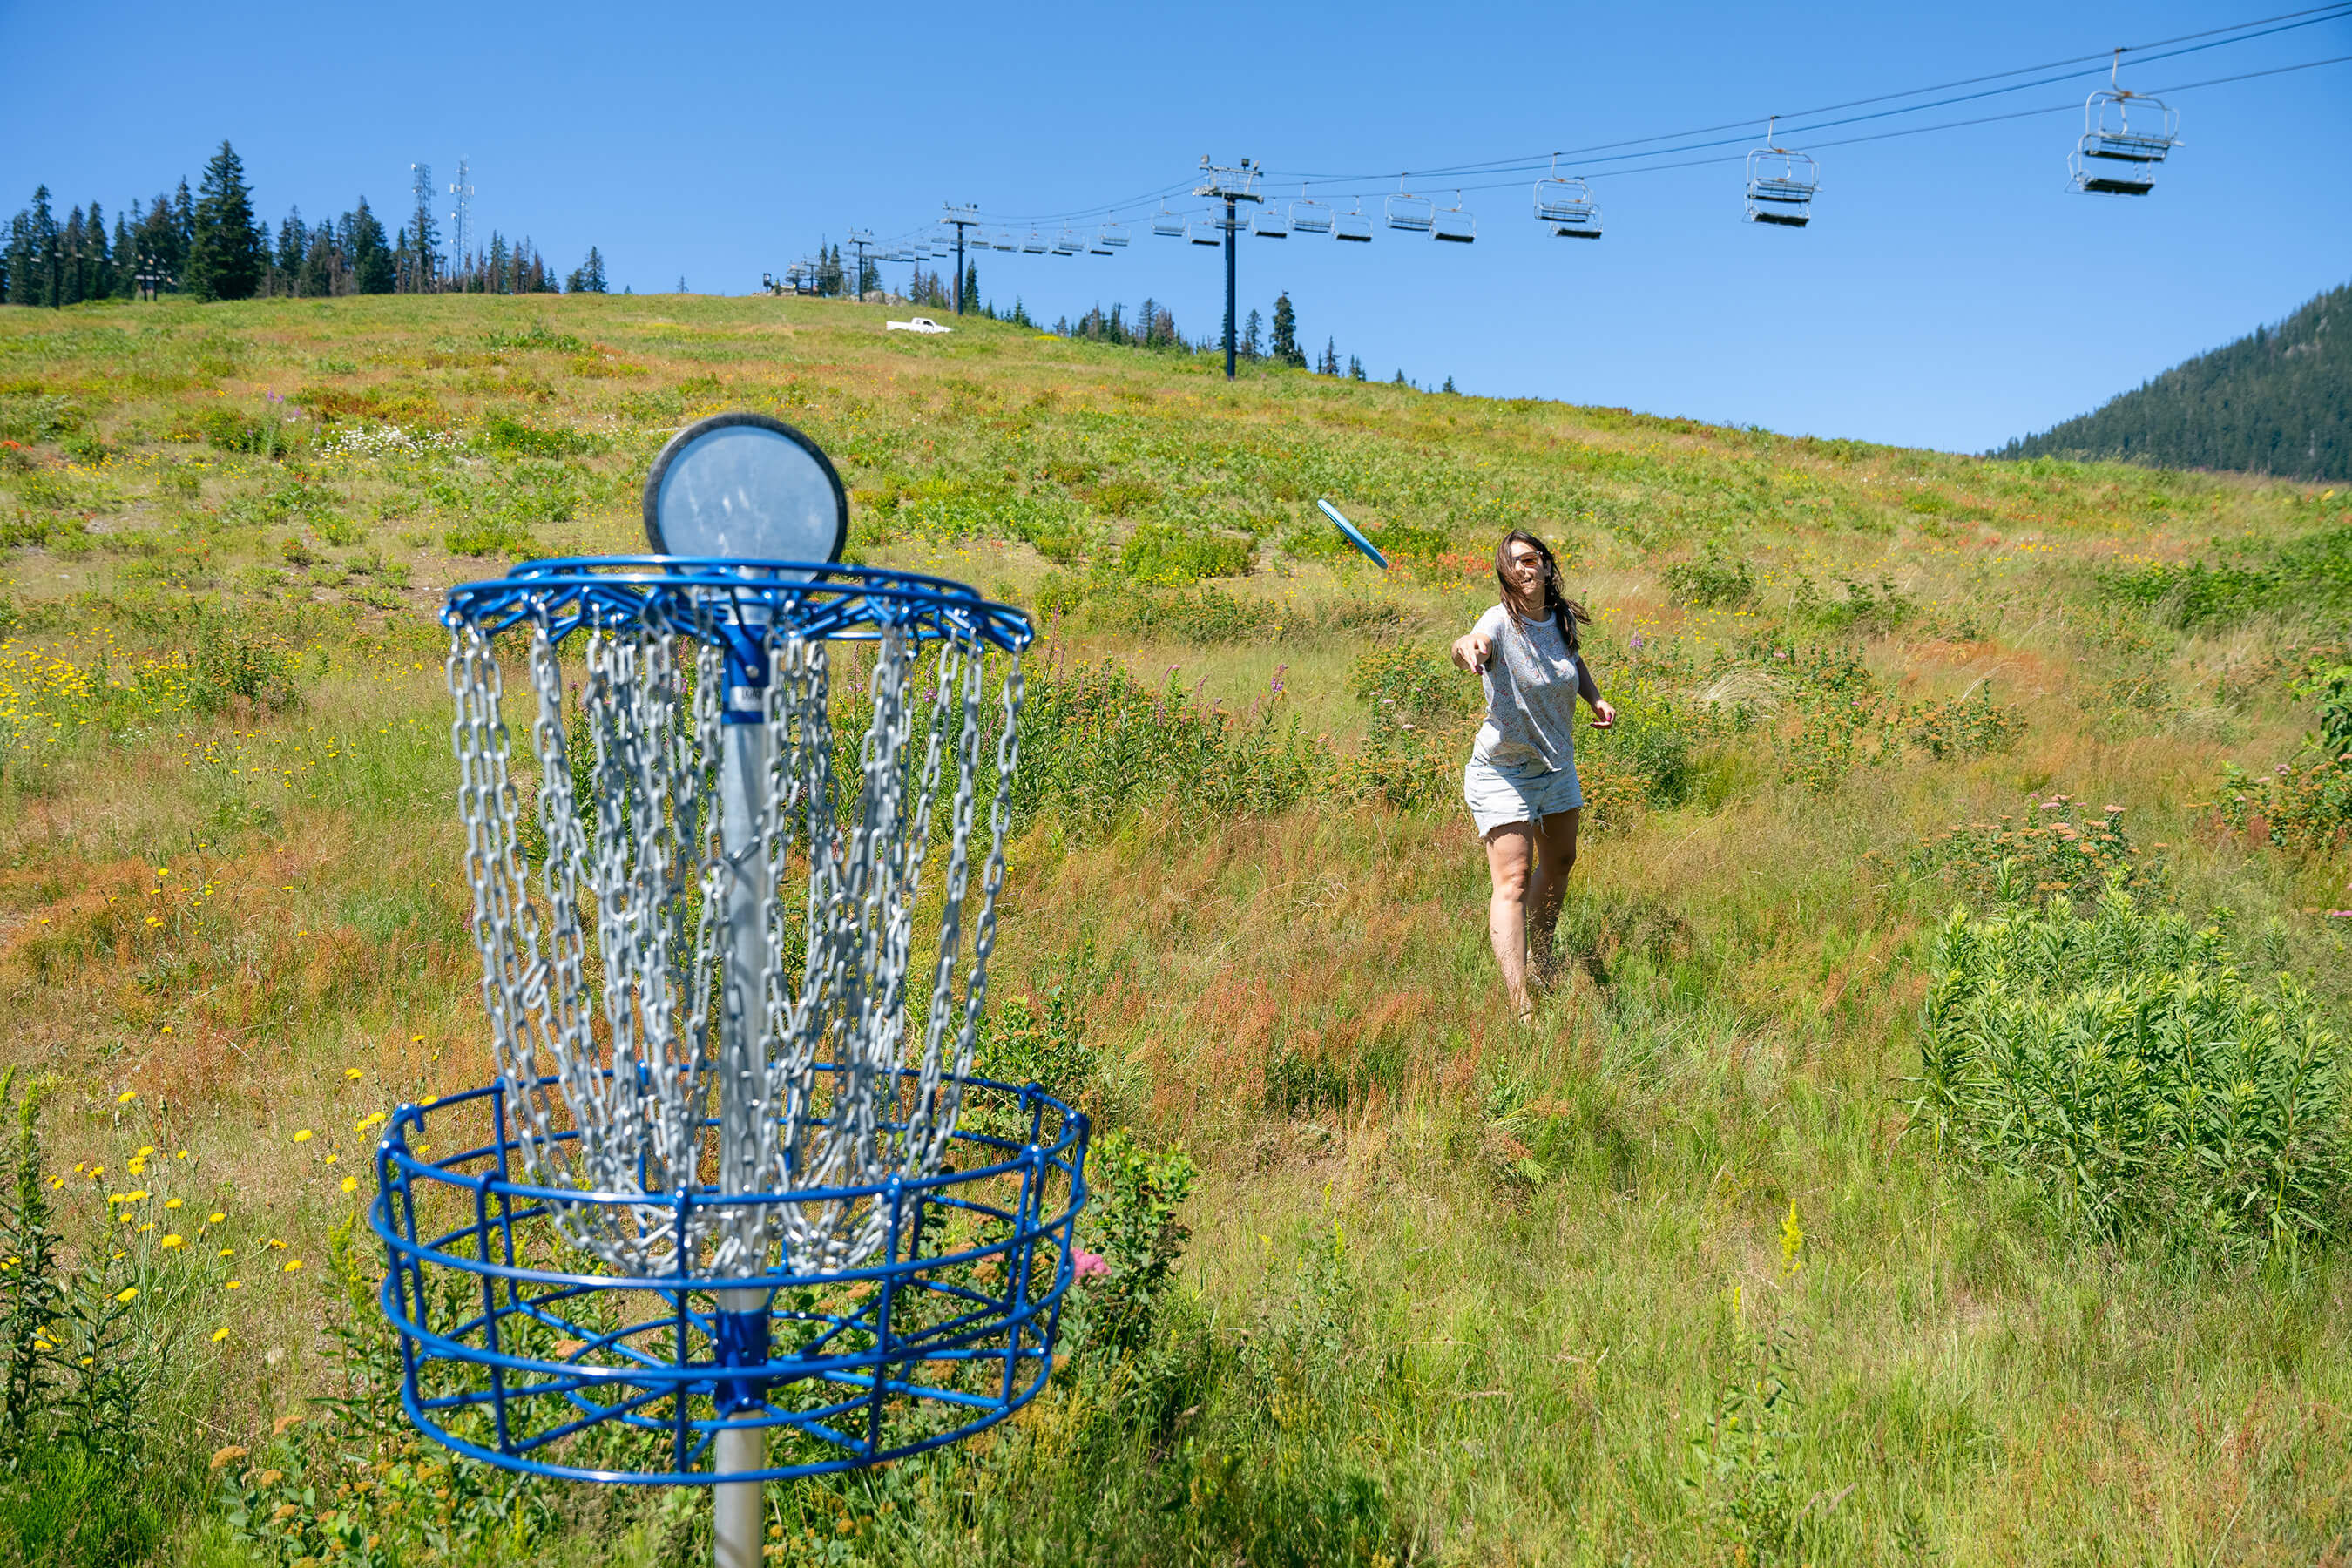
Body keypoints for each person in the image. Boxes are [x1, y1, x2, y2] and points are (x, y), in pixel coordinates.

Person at [1450, 531, 1615, 1020]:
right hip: (1504, 771)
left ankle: (1542, 959)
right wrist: (1470, 648)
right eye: (1513, 563)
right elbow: (1468, 642)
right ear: (1506, 573)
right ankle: (1521, 1002)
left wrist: (1595, 697)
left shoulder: (1559, 618)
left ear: (1546, 566)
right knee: (1514, 879)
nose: (1524, 568)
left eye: (1531, 559)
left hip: (1557, 766)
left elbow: (1573, 660)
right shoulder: (1498, 622)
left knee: (1561, 861)